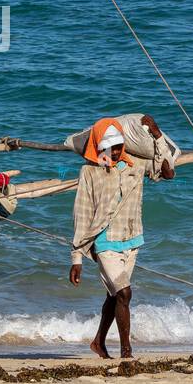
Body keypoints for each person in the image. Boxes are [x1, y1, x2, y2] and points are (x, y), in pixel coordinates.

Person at [67, 118, 147, 360]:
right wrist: (76, 257)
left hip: (132, 240)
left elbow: (165, 168)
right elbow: (81, 214)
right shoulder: (89, 172)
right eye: (108, 146)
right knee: (125, 294)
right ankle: (126, 352)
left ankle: (98, 342)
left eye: (118, 146)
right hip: (104, 243)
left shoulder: (136, 166)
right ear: (98, 146)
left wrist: (151, 129)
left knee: (115, 296)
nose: (113, 151)